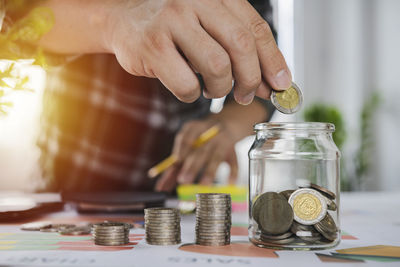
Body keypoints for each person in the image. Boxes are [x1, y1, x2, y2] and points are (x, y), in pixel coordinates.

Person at [4, 0, 292, 192]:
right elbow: (12, 20)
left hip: (179, 189)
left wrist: (226, 126)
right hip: (69, 182)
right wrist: (111, 19)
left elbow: (262, 82)